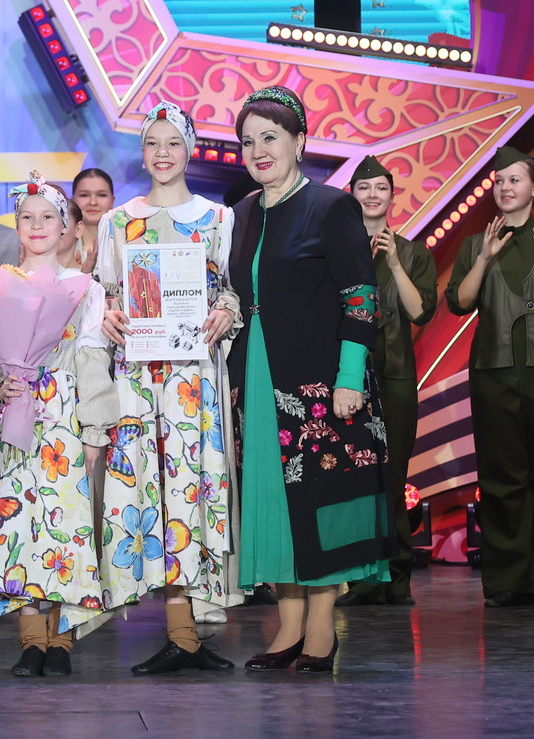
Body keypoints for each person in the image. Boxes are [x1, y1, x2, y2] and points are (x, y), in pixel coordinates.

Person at [225, 85, 389, 676]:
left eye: (270, 138)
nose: (258, 151)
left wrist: (349, 377)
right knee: (273, 506)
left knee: (322, 504)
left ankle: (320, 629)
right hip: (257, 382)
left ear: (299, 141)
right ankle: (288, 627)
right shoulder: (241, 214)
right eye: (248, 141)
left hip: (320, 389)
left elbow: (361, 297)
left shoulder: (330, 207)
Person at [97, 100, 241, 676]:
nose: (163, 153)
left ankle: (186, 633)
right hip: (137, 376)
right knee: (146, 493)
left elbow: (231, 289)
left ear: (191, 149)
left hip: (192, 379)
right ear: (141, 152)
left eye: (173, 142)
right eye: (152, 142)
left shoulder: (217, 218)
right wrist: (107, 314)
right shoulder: (117, 220)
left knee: (189, 490)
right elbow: (104, 292)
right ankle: (178, 632)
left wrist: (226, 310)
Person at [0, 178, 115, 678]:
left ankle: (61, 641)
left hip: (64, 421)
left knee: (66, 527)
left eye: (48, 217)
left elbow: (93, 360)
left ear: (66, 226)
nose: (37, 226)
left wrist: (94, 429)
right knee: (16, 527)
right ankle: (30, 640)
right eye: (27, 217)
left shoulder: (86, 289)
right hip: (14, 418)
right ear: (16, 224)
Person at [446, 146, 534, 608]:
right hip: (492, 370)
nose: (505, 188)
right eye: (499, 180)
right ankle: (505, 579)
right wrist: (484, 258)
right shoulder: (475, 243)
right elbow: (460, 302)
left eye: (514, 180)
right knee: (499, 476)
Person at [337, 155, 437, 608]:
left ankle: (396, 578)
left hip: (395, 375)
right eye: (364, 188)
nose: (373, 195)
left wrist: (395, 263)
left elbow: (421, 312)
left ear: (393, 196)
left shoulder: (414, 253)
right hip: (349, 378)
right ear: (352, 195)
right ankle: (361, 580)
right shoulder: (337, 250)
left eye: (381, 188)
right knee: (354, 478)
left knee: (393, 477)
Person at [70, 167, 116, 273]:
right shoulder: (59, 246)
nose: (93, 202)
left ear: (112, 200)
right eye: (84, 195)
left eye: (101, 195)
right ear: (72, 200)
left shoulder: (125, 244)